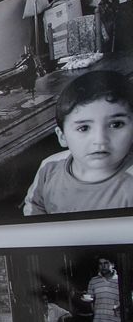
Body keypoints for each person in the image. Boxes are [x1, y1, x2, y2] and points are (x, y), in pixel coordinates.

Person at [23, 70, 133, 215]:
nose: (100, 139)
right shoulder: (49, 168)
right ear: (62, 137)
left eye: (116, 124)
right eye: (83, 128)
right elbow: (34, 207)